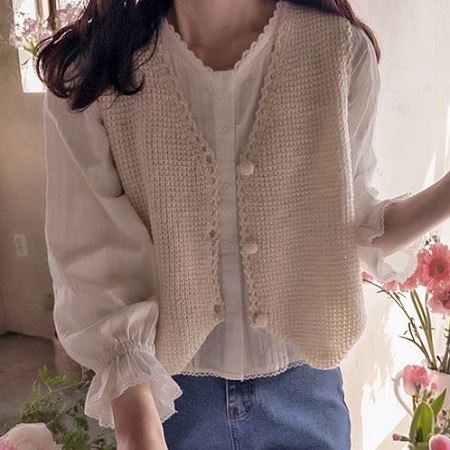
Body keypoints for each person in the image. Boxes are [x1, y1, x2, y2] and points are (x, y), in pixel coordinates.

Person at [36, 0, 450, 448]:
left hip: (306, 395)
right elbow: (92, 261)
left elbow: (352, 224)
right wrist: (138, 428)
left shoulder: (339, 51)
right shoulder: (93, 74)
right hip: (167, 399)